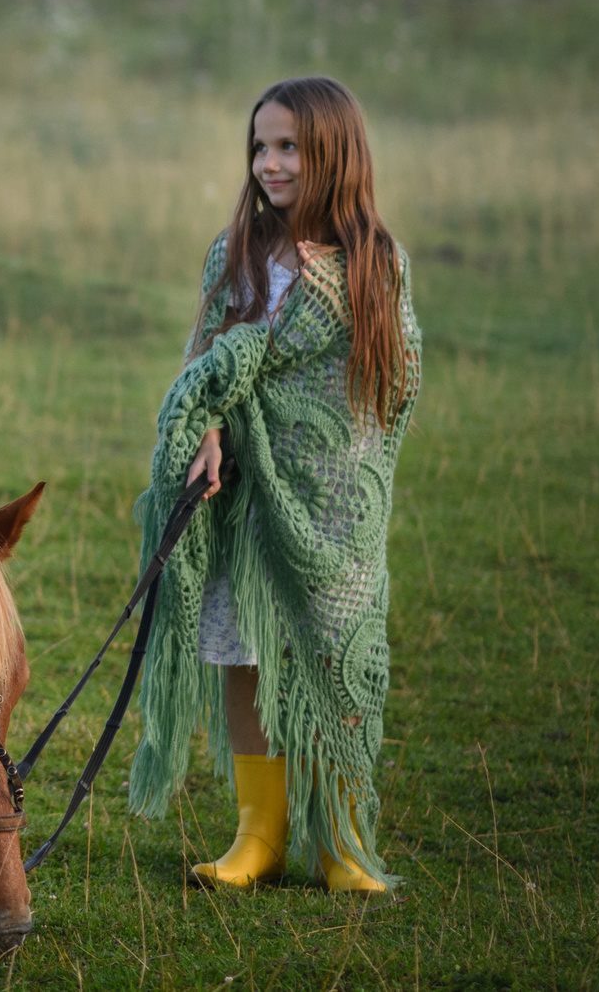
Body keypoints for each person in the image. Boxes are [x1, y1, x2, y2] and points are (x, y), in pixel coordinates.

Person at [125, 75, 421, 895]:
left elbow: (387, 385)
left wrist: (313, 437)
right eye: (260, 146)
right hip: (244, 493)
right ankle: (260, 829)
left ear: (333, 153)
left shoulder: (373, 263)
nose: (270, 162)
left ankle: (342, 835)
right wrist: (212, 430)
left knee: (333, 654)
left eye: (288, 145)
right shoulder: (238, 254)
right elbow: (207, 363)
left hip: (329, 497)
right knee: (243, 652)